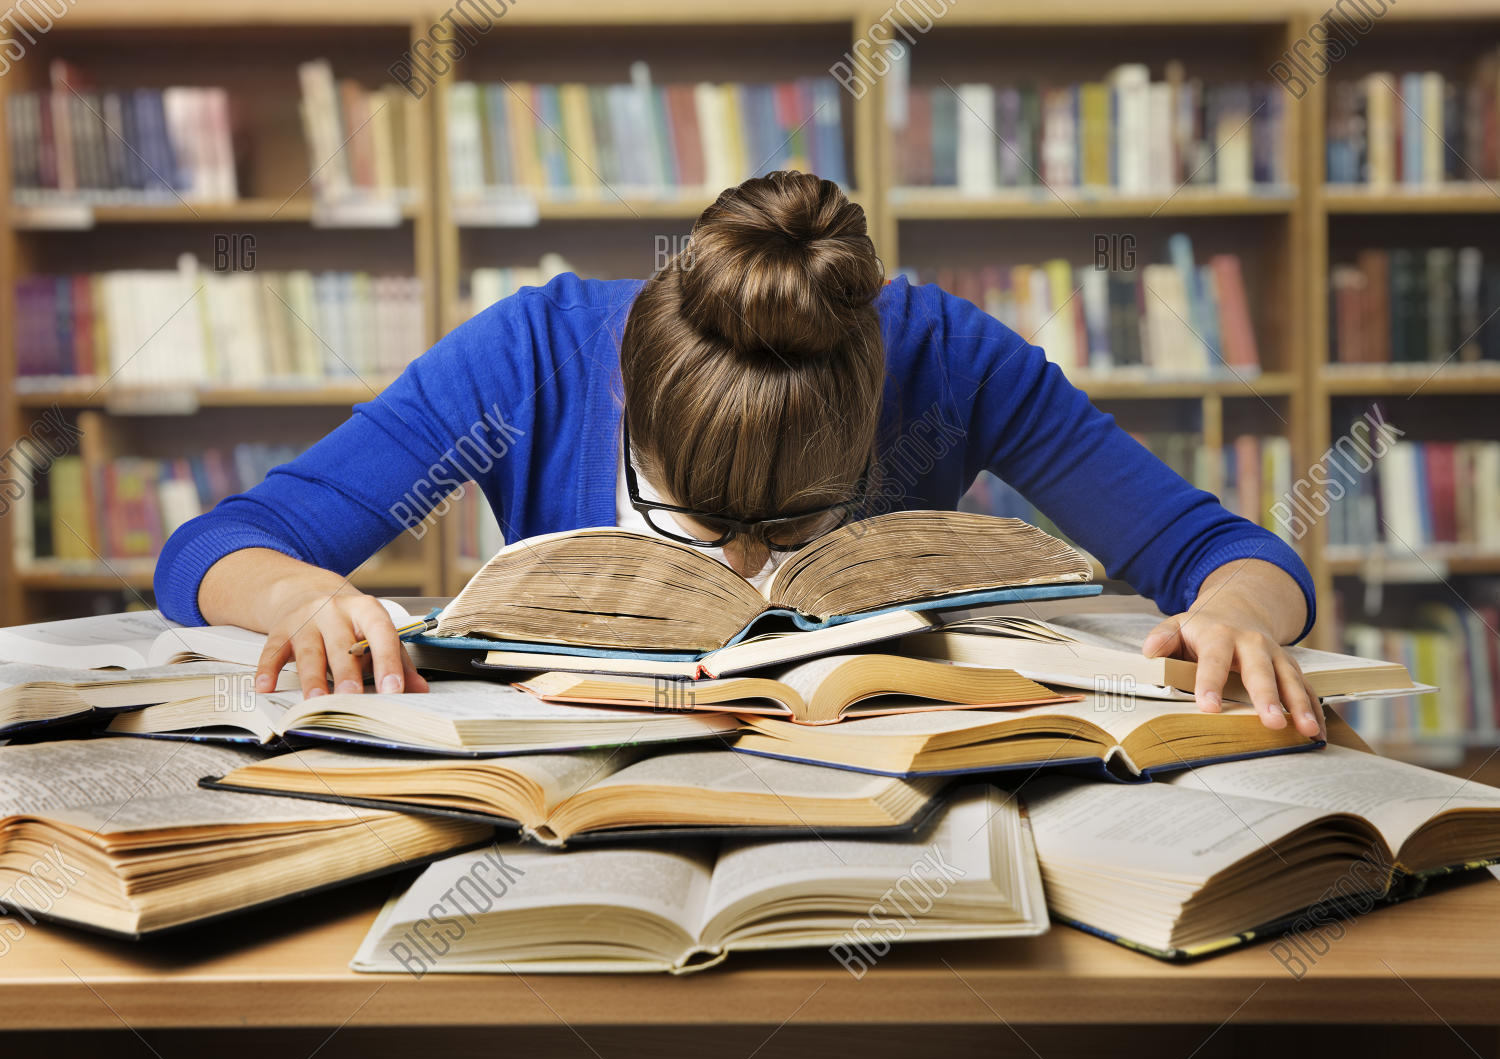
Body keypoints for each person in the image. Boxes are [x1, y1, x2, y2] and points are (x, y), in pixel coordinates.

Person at [154, 170, 1323, 738]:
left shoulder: (947, 358)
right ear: (631, 408)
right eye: (693, 526)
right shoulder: (530, 358)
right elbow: (214, 548)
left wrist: (1237, 616)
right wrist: (301, 592)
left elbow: (1220, 549)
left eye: (797, 532)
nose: (748, 580)